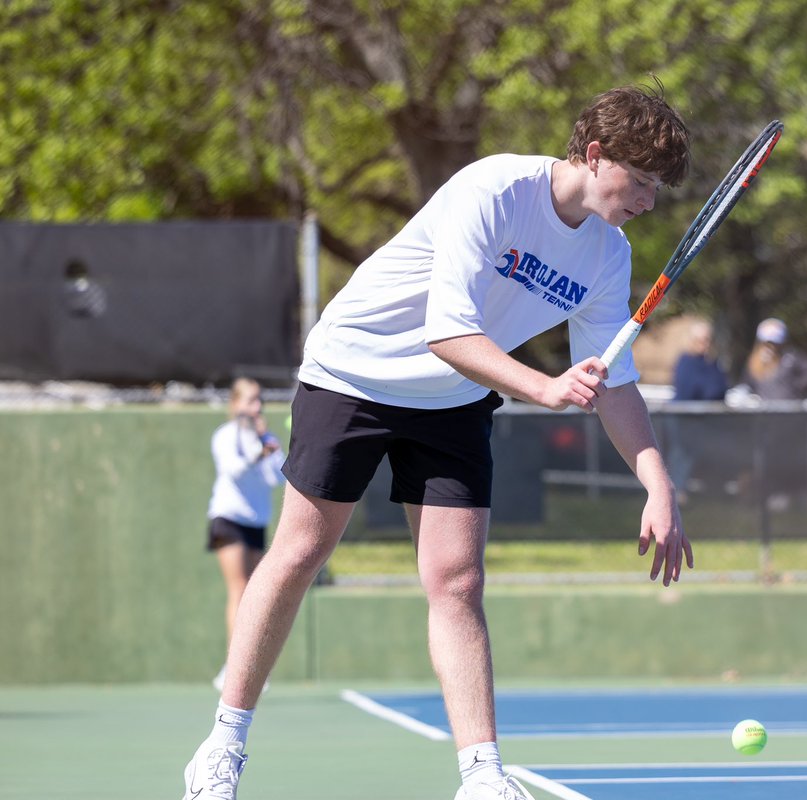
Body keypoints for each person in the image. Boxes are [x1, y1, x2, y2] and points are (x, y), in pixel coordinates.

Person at [181, 83, 694, 800]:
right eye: (638, 181)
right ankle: (222, 745)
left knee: (458, 581)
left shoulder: (607, 255)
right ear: (595, 153)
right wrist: (542, 387)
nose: (646, 200)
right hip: (355, 372)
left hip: (453, 399)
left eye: (656, 189)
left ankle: (483, 778)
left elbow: (614, 382)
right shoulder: (492, 189)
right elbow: (448, 331)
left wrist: (657, 484)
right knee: (299, 552)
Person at [205, 377, 285, 692]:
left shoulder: (265, 438)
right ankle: (233, 668)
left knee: (253, 594)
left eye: (259, 400)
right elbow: (232, 471)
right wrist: (257, 453)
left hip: (256, 521)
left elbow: (278, 477)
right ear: (236, 404)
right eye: (250, 400)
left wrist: (266, 442)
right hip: (227, 518)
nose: (256, 406)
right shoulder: (225, 436)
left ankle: (244, 667)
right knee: (238, 589)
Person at [666, 319, 728, 502]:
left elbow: (720, 388)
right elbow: (694, 389)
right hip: (682, 417)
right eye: (700, 340)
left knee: (695, 455)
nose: (704, 344)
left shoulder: (712, 363)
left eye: (707, 339)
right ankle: (676, 492)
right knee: (680, 454)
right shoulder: (686, 361)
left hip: (702, 420)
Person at [739, 317, 807, 401]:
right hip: (763, 408)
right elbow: (747, 383)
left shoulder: (790, 357)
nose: (770, 347)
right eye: (766, 343)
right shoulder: (754, 362)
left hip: (788, 407)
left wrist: (795, 386)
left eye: (774, 343)